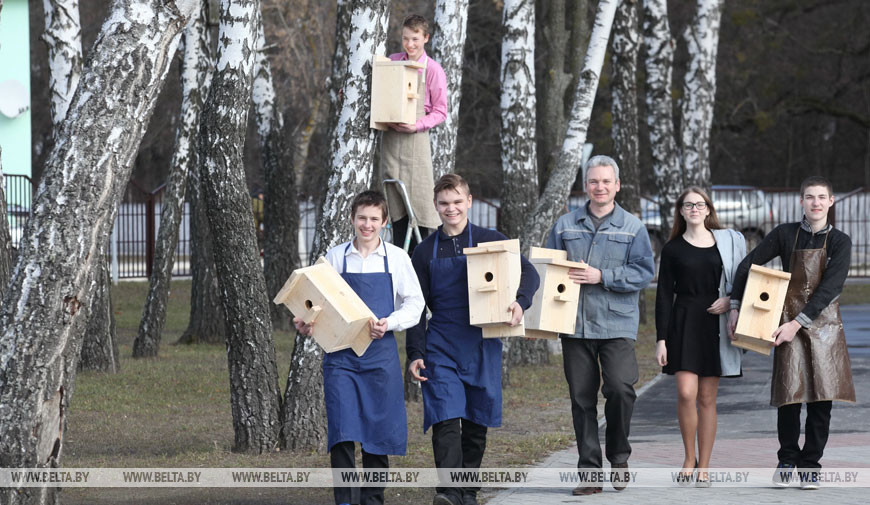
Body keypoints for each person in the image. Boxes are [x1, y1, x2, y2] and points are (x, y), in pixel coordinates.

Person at [406, 173, 540, 505]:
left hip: (482, 342)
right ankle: (449, 491)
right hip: (441, 344)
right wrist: (415, 352)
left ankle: (468, 491)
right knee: (446, 417)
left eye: (456, 202)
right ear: (435, 207)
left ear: (469, 201)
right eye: (443, 203)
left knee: (476, 421)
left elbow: (530, 273)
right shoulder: (423, 253)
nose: (450, 209)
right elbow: (415, 307)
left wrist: (520, 303)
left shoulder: (490, 239)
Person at [294, 191, 425, 505]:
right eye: (362, 218)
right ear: (352, 219)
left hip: (381, 358)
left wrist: (389, 322)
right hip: (340, 358)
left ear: (383, 222)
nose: (367, 225)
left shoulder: (396, 258)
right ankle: (346, 499)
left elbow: (416, 304)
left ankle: (373, 499)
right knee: (342, 430)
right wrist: (306, 323)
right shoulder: (335, 257)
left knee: (377, 431)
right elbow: (315, 303)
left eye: (374, 219)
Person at [728, 176, 855, 490]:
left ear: (831, 201)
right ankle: (786, 460)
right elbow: (747, 265)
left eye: (821, 197)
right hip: (785, 325)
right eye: (809, 197)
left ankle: (811, 465)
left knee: (821, 400)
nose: (815, 202)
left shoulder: (841, 241)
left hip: (824, 328)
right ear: (801, 201)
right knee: (789, 397)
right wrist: (734, 305)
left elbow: (830, 289)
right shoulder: (785, 234)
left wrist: (797, 323)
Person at [544, 155, 655, 495]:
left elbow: (644, 272)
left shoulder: (633, 227)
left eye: (606, 181)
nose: (600, 186)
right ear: (585, 185)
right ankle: (589, 474)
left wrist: (602, 276)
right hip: (574, 325)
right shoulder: (564, 226)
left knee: (621, 389)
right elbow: (548, 270)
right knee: (582, 399)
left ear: (617, 185)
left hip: (616, 324)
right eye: (594, 181)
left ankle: (619, 457)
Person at [654, 186, 746, 487]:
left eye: (700, 204)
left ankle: (704, 466)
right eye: (688, 204)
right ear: (680, 211)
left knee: (707, 398)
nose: (694, 208)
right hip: (683, 322)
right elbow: (664, 295)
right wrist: (661, 339)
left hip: (714, 324)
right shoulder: (672, 249)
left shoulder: (726, 244)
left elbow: (744, 279)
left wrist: (730, 300)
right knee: (685, 392)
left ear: (708, 210)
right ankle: (688, 457)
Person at [381, 14, 447, 254]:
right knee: (396, 207)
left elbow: (441, 111)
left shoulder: (433, 70)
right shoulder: (392, 62)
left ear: (426, 38)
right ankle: (400, 257)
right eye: (405, 39)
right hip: (390, 141)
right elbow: (379, 93)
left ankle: (422, 263)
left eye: (415, 39)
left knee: (419, 209)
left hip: (416, 143)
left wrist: (417, 124)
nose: (410, 45)